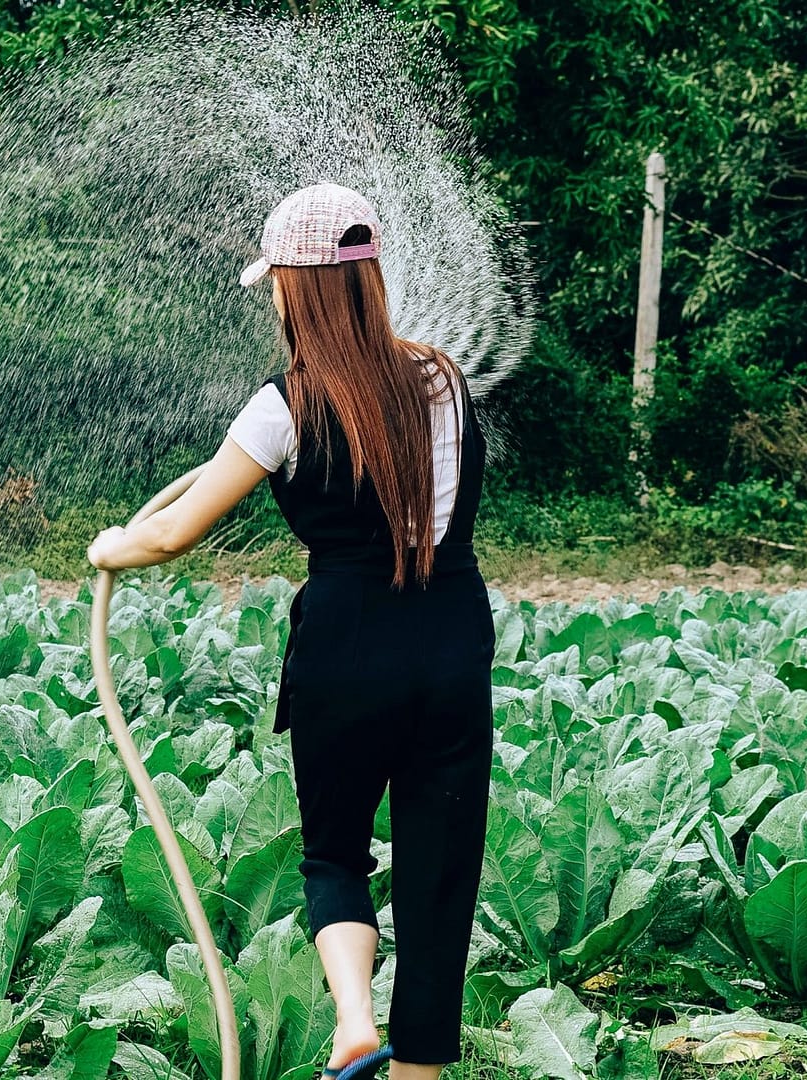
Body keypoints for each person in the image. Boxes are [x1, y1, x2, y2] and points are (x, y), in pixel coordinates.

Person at [87, 183, 495, 1080]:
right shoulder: (445, 379)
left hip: (346, 650)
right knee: (440, 877)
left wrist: (109, 545)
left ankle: (353, 1019)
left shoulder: (283, 406)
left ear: (295, 289)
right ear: (371, 280)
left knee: (335, 849)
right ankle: (415, 1074)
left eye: (274, 282)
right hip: (450, 641)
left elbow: (172, 530)